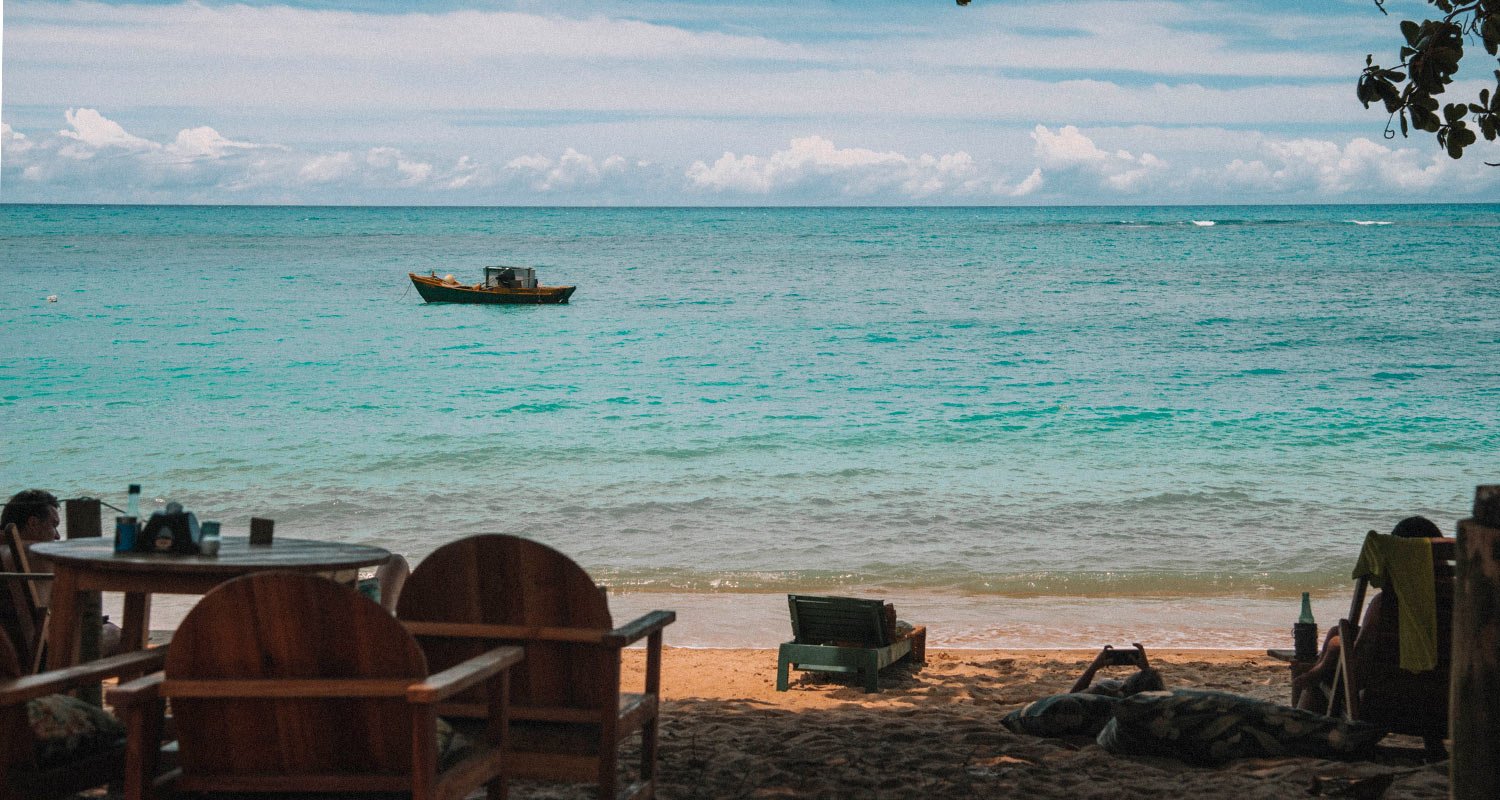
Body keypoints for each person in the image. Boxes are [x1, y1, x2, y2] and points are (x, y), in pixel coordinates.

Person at [1292, 515, 1443, 712]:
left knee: (1321, 684)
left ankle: (1301, 730)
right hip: (1439, 703)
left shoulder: (1386, 605)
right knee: (1337, 633)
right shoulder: (1457, 604)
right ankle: (1318, 670)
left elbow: (1359, 667)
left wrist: (1333, 650)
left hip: (1386, 702)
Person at [2, 489, 123, 656]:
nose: (58, 536)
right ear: (33, 524)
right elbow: (73, 611)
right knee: (114, 633)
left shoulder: (6, 554)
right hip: (38, 658)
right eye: (54, 525)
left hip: (6, 659)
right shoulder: (40, 555)